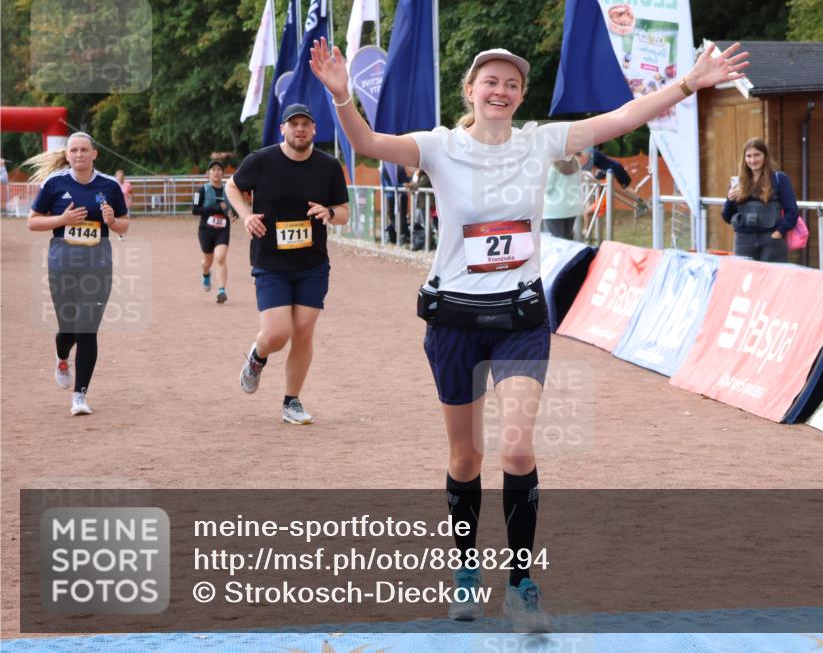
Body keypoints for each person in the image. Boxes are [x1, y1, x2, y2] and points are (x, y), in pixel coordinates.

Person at [310, 37, 747, 631]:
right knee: (465, 456)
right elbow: (364, 144)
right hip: (455, 319)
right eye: (490, 81)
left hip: (520, 318)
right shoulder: (439, 146)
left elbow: (620, 118)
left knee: (517, 447)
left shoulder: (540, 141)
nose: (501, 91)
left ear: (520, 96)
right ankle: (466, 571)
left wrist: (688, 83)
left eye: (512, 84)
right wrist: (340, 97)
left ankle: (521, 585)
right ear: (470, 90)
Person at [225, 103, 350, 425]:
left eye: (305, 124)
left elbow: (344, 211)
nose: (299, 129)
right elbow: (232, 187)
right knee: (279, 332)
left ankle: (291, 401)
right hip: (271, 262)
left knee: (304, 332)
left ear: (314, 130)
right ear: (283, 129)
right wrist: (247, 214)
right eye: (293, 124)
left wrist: (330, 213)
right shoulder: (261, 161)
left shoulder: (328, 166)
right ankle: (258, 356)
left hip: (312, 264)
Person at [25, 132, 129, 415]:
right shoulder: (54, 183)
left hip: (98, 268)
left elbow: (123, 226)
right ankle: (61, 356)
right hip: (62, 267)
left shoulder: (109, 186)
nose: (79, 154)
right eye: (74, 150)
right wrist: (63, 220)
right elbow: (32, 223)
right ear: (67, 155)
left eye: (84, 150)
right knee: (68, 330)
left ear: (94, 153)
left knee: (87, 330)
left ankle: (79, 396)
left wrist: (111, 221)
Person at [722, 137, 799, 262]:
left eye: (757, 155)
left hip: (771, 240)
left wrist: (778, 233)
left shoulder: (780, 179)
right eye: (749, 156)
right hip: (743, 241)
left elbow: (792, 211)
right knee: (745, 279)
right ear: (744, 158)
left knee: (773, 280)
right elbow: (727, 217)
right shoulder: (737, 182)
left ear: (765, 156)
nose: (753, 160)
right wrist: (730, 200)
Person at [193, 160, 236, 304]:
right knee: (207, 261)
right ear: (208, 173)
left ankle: (221, 290)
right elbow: (195, 210)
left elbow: (233, 209)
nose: (216, 172)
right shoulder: (202, 190)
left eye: (219, 170)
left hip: (223, 229)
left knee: (221, 257)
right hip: (206, 230)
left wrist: (233, 212)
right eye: (213, 169)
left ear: (223, 174)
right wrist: (216, 209)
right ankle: (206, 274)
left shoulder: (228, 190)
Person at [542, 153, 584, 239]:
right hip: (572, 208)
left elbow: (547, 189)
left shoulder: (552, 163)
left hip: (554, 210)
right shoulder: (575, 161)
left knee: (555, 245)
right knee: (566, 242)